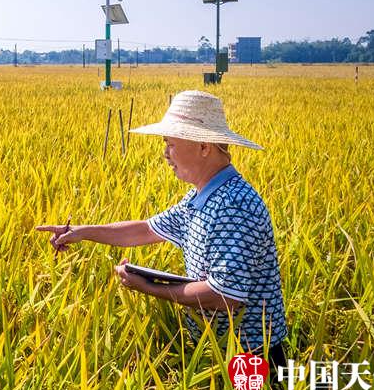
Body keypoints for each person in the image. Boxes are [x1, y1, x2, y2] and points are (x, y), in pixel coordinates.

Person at [36, 90, 288, 369]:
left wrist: (150, 287)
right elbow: (145, 230)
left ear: (204, 146)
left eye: (170, 143)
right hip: (217, 350)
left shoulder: (233, 205)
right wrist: (82, 231)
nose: (165, 154)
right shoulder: (201, 196)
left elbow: (224, 296)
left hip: (250, 357)